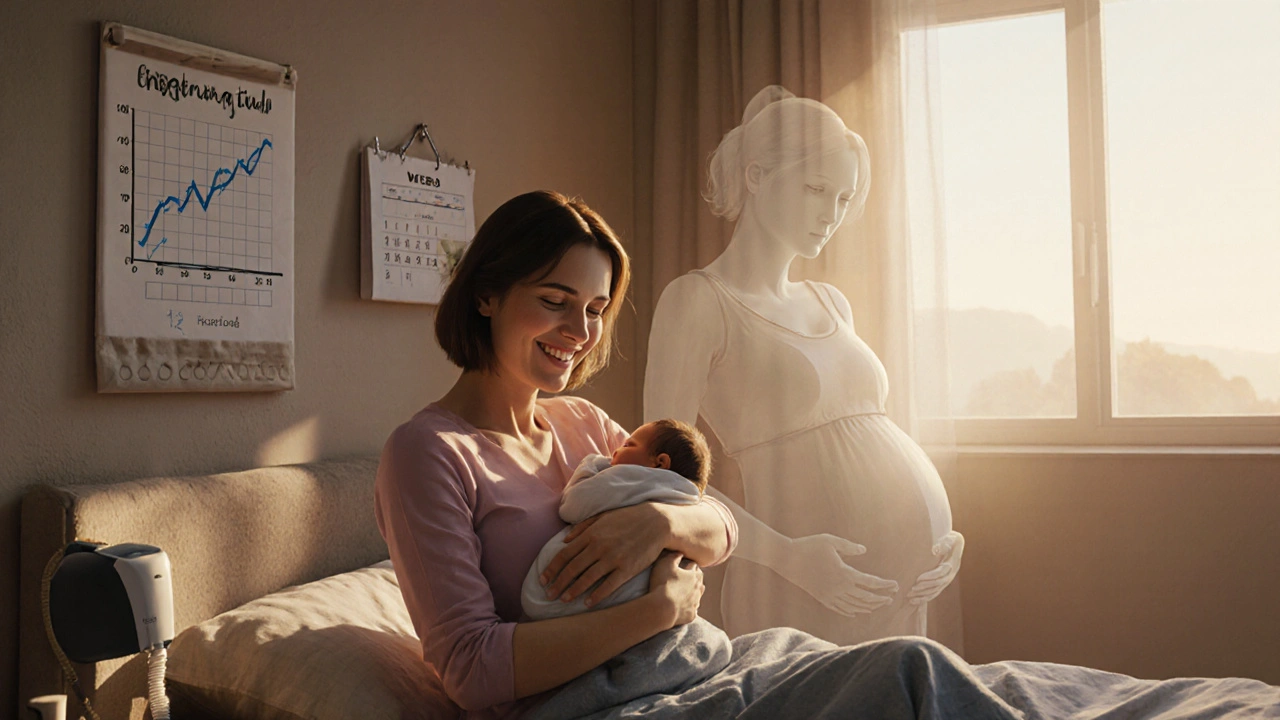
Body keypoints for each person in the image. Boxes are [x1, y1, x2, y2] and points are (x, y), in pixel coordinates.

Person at [374, 189, 1023, 719]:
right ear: (486, 294)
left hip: (684, 668)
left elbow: (720, 526)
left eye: (596, 309)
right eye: (555, 301)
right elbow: (471, 670)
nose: (580, 332)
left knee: (922, 670)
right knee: (907, 674)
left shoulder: (584, 425)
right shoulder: (427, 454)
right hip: (603, 704)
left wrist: (657, 522)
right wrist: (659, 610)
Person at [644, 85, 964, 645]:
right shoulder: (698, 301)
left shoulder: (831, 302)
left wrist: (939, 533)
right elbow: (661, 472)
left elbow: (871, 436)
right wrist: (792, 558)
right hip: (799, 586)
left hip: (903, 593)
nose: (832, 214)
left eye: (843, 198)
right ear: (756, 176)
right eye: (817, 189)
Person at [521, 419, 713, 620]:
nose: (615, 451)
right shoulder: (688, 495)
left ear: (660, 463)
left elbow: (572, 507)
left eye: (628, 445)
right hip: (659, 592)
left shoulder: (630, 477)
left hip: (600, 597)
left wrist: (591, 464)